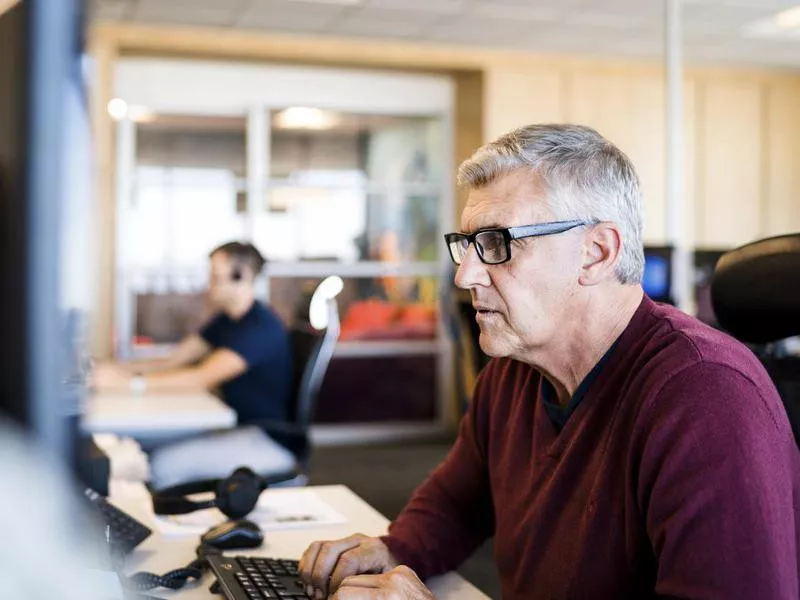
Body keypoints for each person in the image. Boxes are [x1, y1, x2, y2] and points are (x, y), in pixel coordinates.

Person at [298, 124, 800, 599]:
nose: (465, 276)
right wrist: (393, 549)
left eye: (496, 244)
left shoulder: (707, 397)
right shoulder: (514, 370)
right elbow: (459, 502)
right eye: (467, 245)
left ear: (596, 253)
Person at [94, 241, 295, 488]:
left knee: (161, 464)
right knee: (139, 444)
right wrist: (119, 369)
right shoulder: (226, 320)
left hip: (264, 439)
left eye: (214, 275)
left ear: (242, 275)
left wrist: (129, 384)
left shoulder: (260, 327)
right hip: (232, 427)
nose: (207, 282)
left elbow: (202, 377)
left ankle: (163, 524)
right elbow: (174, 360)